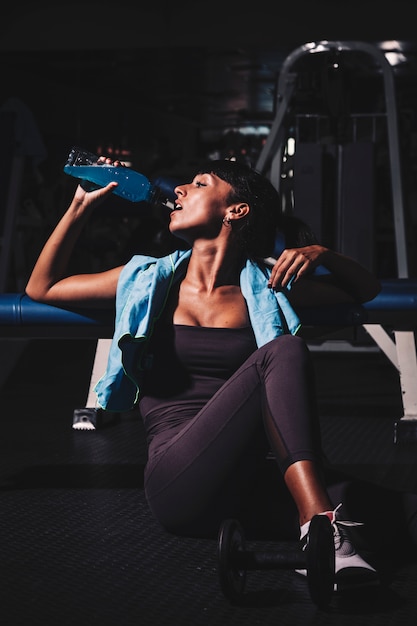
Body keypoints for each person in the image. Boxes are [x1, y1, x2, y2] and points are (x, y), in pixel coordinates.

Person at [26, 156, 382, 590]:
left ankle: (323, 532)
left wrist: (322, 253)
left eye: (197, 184)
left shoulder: (268, 287)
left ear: (236, 210)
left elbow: (367, 290)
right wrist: (81, 204)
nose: (178, 190)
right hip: (179, 481)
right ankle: (320, 527)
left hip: (245, 480)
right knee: (283, 350)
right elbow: (41, 287)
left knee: (391, 510)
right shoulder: (146, 280)